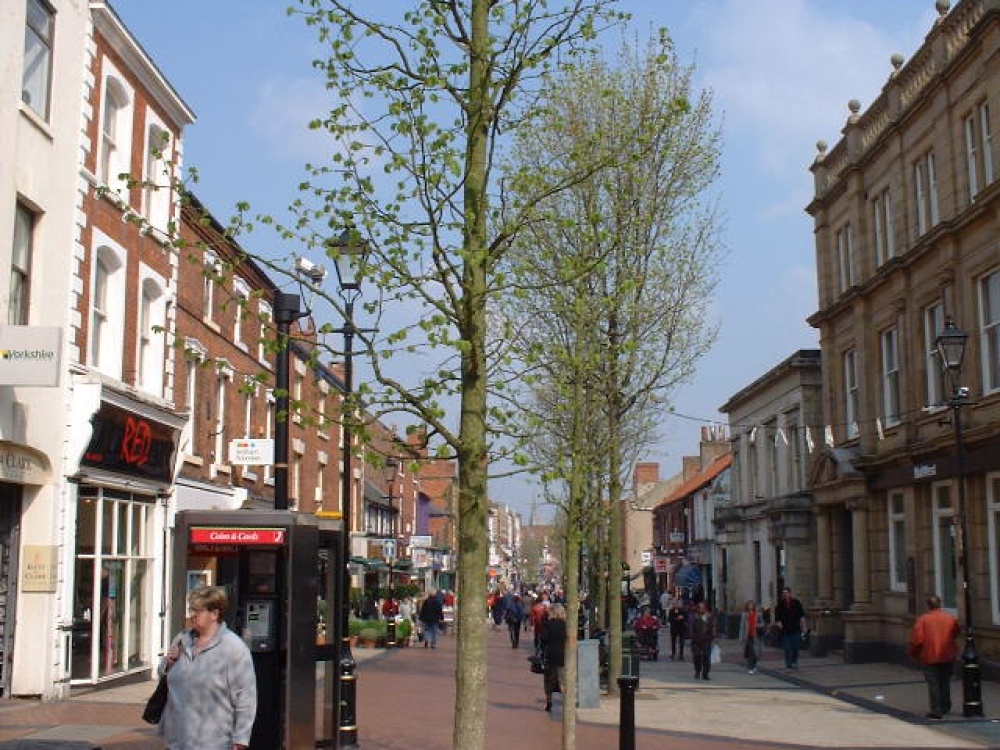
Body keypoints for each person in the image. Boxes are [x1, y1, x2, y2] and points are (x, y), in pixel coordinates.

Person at [159, 586, 256, 750]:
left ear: (215, 614)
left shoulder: (233, 648)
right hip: (176, 740)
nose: (192, 615)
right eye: (191, 609)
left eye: (198, 610)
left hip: (213, 742)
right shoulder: (182, 639)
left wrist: (241, 738)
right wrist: (168, 663)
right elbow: (164, 675)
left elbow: (246, 697)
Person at [908, 594, 960, 719]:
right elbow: (956, 632)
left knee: (933, 683)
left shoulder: (923, 620)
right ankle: (946, 705)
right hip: (947, 655)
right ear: (940, 604)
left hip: (929, 656)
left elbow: (917, 640)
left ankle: (936, 709)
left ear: (928, 606)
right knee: (945, 681)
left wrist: (913, 653)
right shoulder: (950, 618)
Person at [540, 603, 567, 712]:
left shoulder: (549, 624)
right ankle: (566, 701)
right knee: (563, 679)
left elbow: (543, 639)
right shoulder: (566, 625)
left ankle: (549, 702)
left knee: (549, 680)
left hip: (551, 656)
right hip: (564, 656)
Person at [774, 587, 807, 669]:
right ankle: (788, 664)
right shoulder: (780, 605)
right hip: (785, 631)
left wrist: (804, 627)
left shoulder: (796, 603)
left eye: (786, 593)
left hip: (795, 629)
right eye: (784, 593)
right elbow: (777, 618)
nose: (785, 595)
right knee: (787, 648)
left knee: (795, 647)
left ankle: (794, 661)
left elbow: (801, 616)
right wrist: (779, 624)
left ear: (790, 593)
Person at [689, 601, 715, 680]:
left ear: (705, 608)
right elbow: (691, 628)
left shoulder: (709, 617)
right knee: (697, 656)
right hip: (696, 640)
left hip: (707, 640)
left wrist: (712, 637)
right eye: (700, 607)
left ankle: (705, 673)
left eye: (703, 607)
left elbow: (713, 628)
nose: (701, 609)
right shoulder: (695, 617)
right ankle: (697, 671)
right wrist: (692, 637)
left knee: (706, 657)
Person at [738, 599, 760, 674]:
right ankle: (750, 668)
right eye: (749, 605)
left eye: (752, 604)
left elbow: (762, 623)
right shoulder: (744, 614)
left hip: (755, 635)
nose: (750, 606)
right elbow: (742, 626)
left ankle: (754, 666)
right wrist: (741, 637)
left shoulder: (757, 614)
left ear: (753, 606)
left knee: (756, 653)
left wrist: (758, 625)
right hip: (747, 636)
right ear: (747, 606)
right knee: (751, 652)